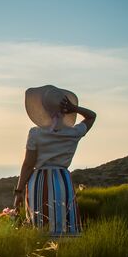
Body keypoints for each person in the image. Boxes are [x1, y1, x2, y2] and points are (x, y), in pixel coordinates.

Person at [13, 85, 96, 236]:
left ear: (43, 109)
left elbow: (28, 165)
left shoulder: (36, 133)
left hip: (39, 182)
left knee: (40, 229)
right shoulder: (74, 132)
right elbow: (92, 116)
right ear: (66, 110)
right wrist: (74, 108)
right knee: (65, 226)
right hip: (62, 181)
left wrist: (18, 191)